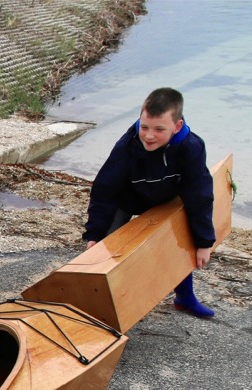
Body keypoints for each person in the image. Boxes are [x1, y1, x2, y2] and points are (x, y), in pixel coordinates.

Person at [83, 86, 217, 318]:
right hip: (128, 198)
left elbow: (200, 193)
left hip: (166, 198)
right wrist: (94, 233)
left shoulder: (191, 147)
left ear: (177, 126)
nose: (149, 135)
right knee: (104, 250)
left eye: (159, 129)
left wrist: (204, 242)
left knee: (178, 241)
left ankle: (185, 297)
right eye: (144, 126)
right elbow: (105, 189)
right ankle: (97, 305)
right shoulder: (128, 146)